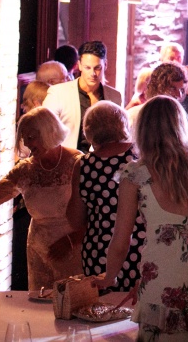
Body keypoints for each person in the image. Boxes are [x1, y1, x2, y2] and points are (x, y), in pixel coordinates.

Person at [98, 96, 188, 339]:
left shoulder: (136, 174)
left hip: (162, 279)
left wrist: (109, 277)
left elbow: (121, 241)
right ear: (181, 125)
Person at [0, 107, 83, 290]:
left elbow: (97, 212)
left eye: (31, 137)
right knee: (38, 307)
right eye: (25, 138)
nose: (27, 144)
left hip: (73, 248)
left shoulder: (77, 162)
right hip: (39, 252)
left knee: (71, 304)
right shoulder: (25, 170)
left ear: (50, 133)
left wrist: (72, 240)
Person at [67, 101, 145, 289]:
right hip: (139, 246)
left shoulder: (84, 165)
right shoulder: (139, 154)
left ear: (89, 131)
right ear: (123, 124)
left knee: (101, 311)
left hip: (99, 250)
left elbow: (75, 220)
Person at [43, 40, 123, 152]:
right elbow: (44, 132)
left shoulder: (115, 97)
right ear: (79, 65)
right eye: (87, 68)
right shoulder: (58, 93)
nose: (93, 74)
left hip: (103, 163)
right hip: (68, 162)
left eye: (97, 68)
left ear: (105, 65)